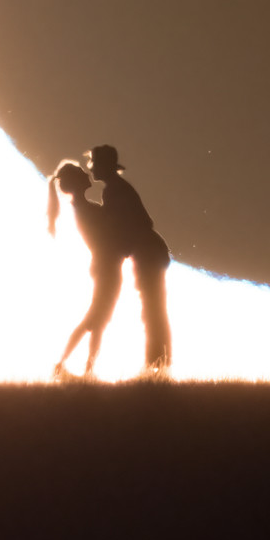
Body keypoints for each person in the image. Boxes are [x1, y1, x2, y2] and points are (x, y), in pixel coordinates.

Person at [46, 144, 172, 377]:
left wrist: (122, 249)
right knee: (104, 317)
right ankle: (154, 364)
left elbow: (124, 229)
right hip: (118, 263)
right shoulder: (104, 198)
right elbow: (113, 234)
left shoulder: (111, 194)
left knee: (128, 313)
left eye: (93, 164)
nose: (90, 169)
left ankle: (155, 364)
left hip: (140, 256)